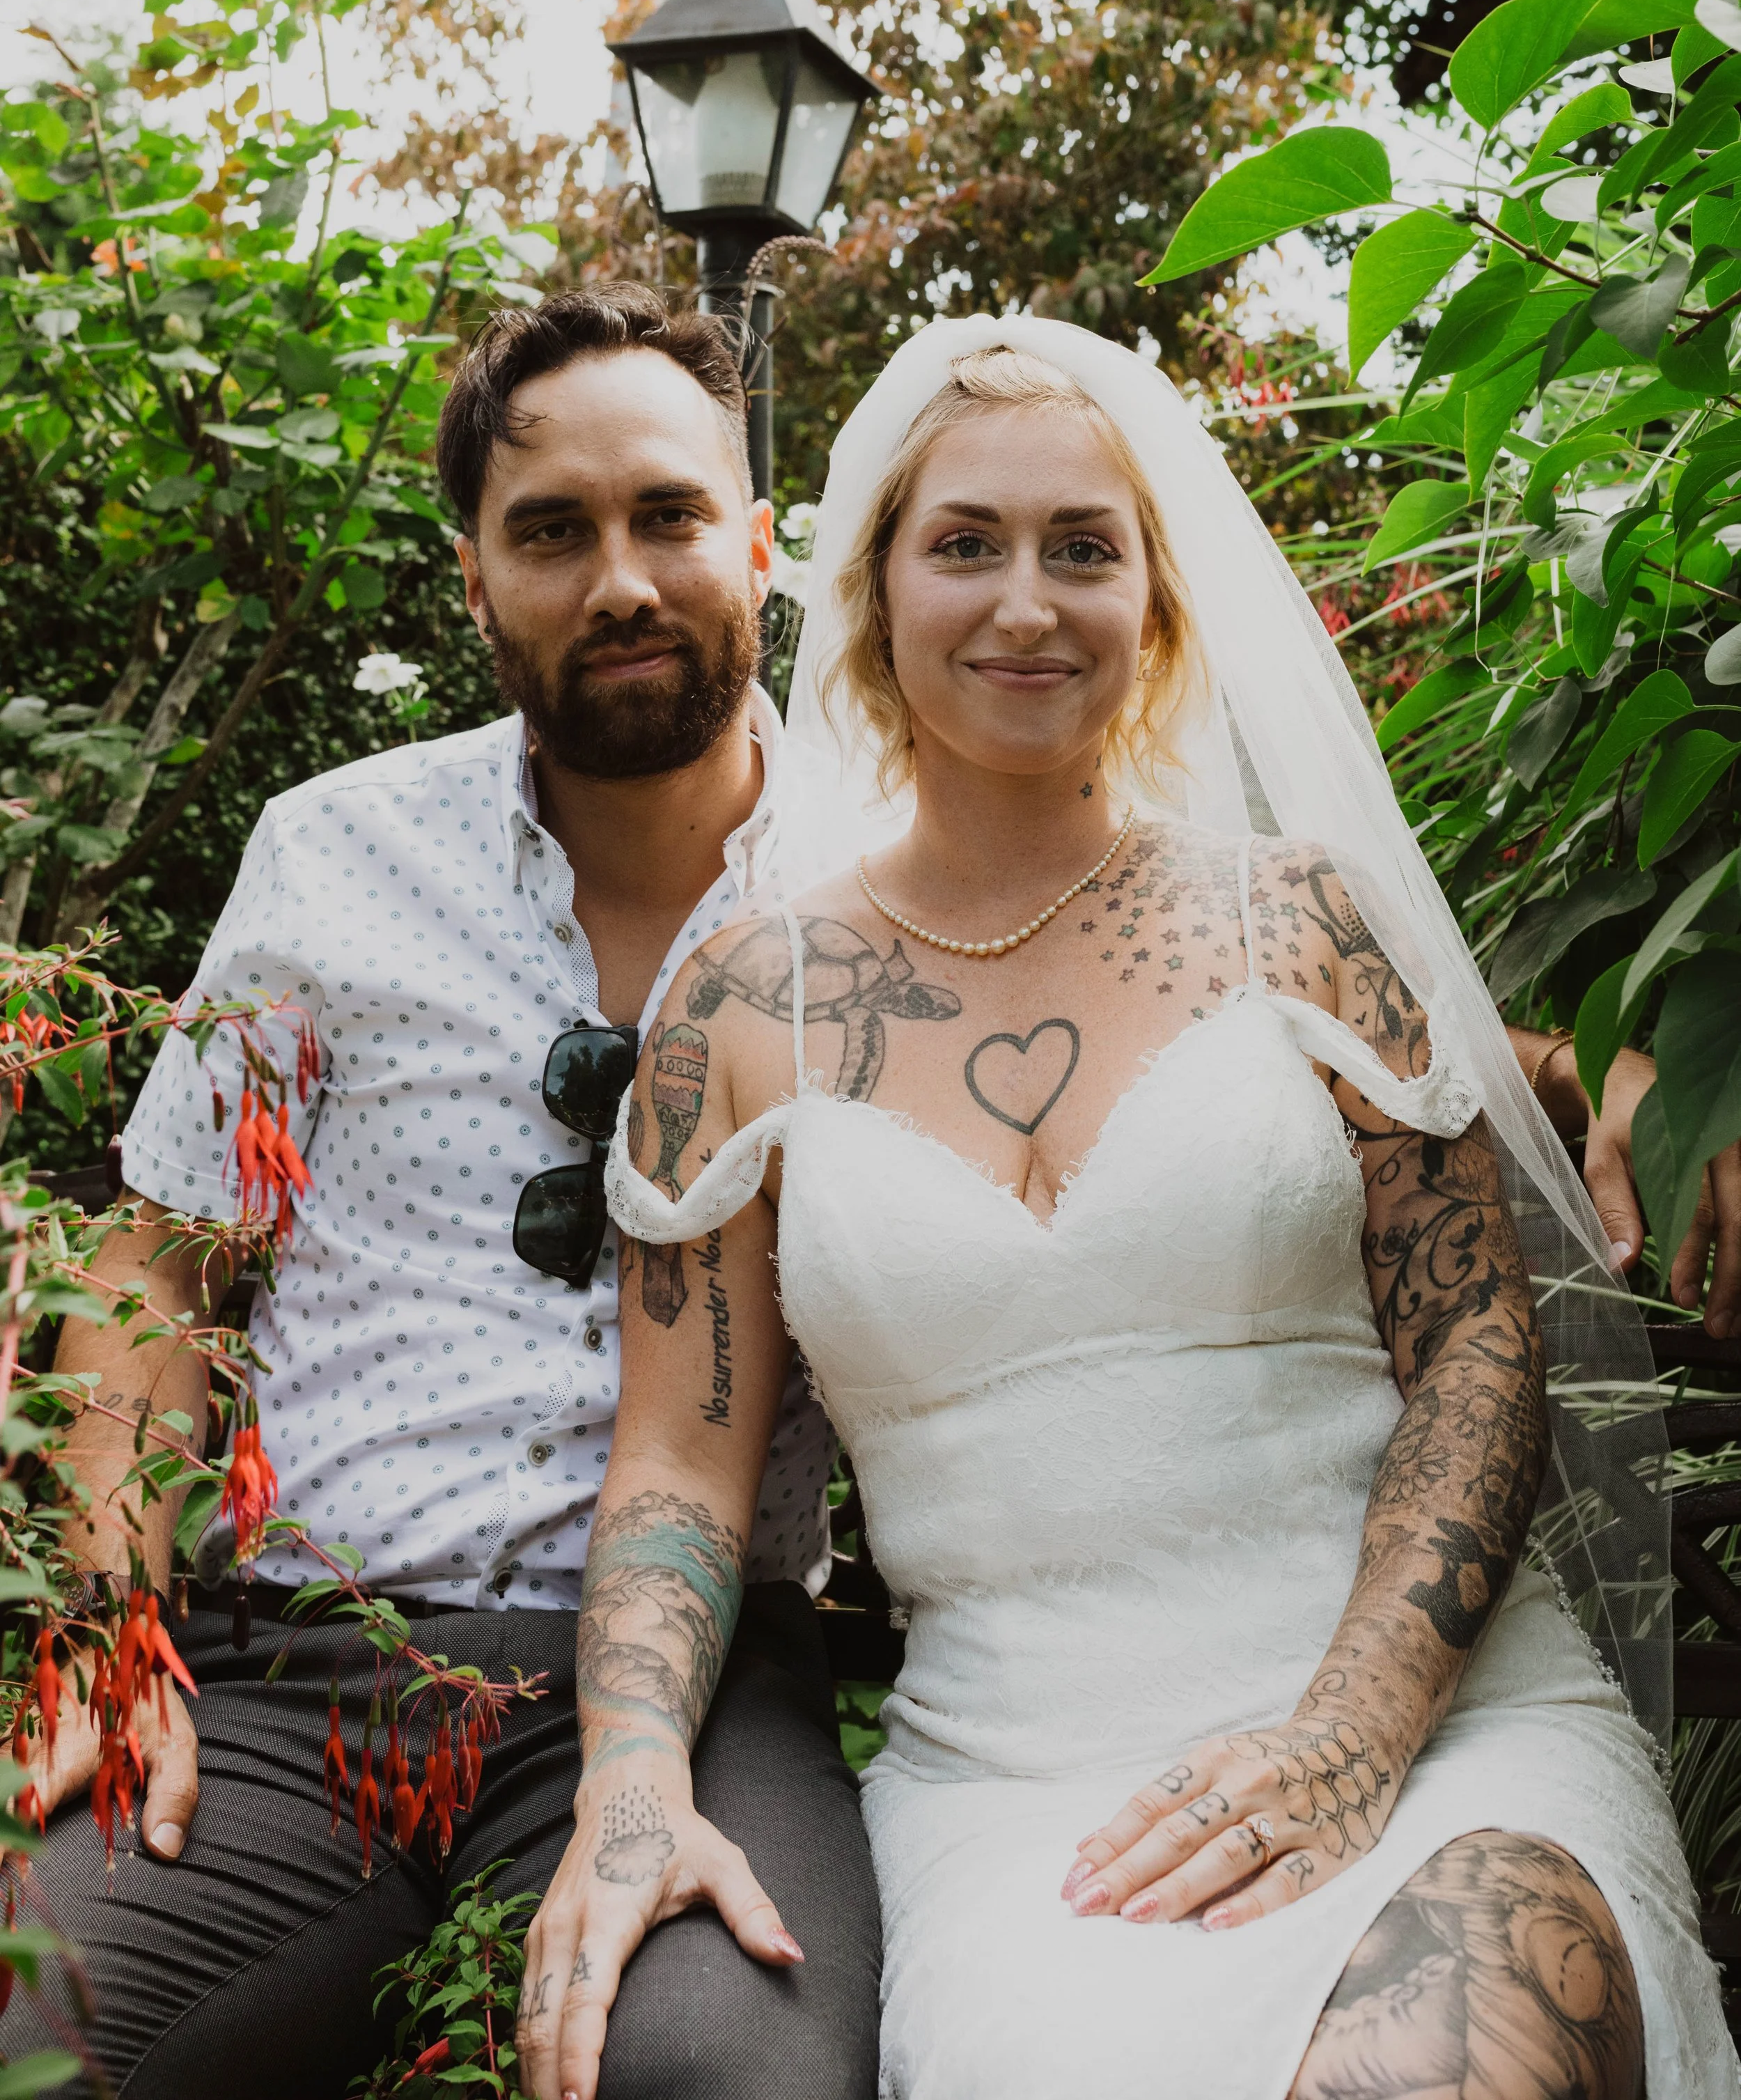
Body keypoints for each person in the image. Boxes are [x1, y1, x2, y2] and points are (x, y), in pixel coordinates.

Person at [518, 322, 1734, 2100]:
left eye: (1082, 547)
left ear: (1154, 602)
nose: (1026, 601)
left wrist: (1349, 1734)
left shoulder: (1299, 920)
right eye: (966, 543)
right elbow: (679, 1473)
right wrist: (630, 1783)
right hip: (1019, 1797)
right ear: (871, 592)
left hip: (1434, 1727)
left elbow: (1475, 1342)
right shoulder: (740, 1012)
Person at [12, 290, 880, 2099]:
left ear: (757, 542)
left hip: (702, 1677)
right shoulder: (334, 855)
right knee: (33, 2031)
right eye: (550, 532)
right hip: (299, 1671)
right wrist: (110, 1633)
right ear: (474, 581)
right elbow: (159, 1264)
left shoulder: (885, 890)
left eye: (665, 515)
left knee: (731, 2078)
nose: (618, 580)